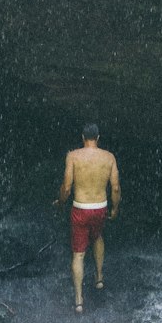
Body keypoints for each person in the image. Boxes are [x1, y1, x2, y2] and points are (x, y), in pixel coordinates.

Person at [55, 122, 121, 312]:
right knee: (98, 237)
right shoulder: (109, 157)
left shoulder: (73, 156)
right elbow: (115, 187)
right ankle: (99, 278)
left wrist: (60, 203)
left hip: (80, 208)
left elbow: (67, 187)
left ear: (82, 137)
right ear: (98, 138)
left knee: (78, 253)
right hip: (100, 207)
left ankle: (78, 300)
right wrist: (115, 208)